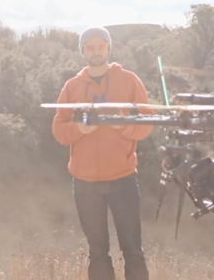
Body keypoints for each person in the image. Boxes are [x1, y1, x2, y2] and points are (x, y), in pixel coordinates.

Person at [52, 26, 154, 280]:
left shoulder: (129, 80)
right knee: (97, 253)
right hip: (85, 183)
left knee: (133, 251)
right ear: (83, 51)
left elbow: (148, 122)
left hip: (123, 179)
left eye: (101, 46)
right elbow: (58, 129)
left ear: (108, 48)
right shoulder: (72, 86)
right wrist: (80, 129)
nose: (96, 51)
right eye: (90, 46)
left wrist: (124, 125)